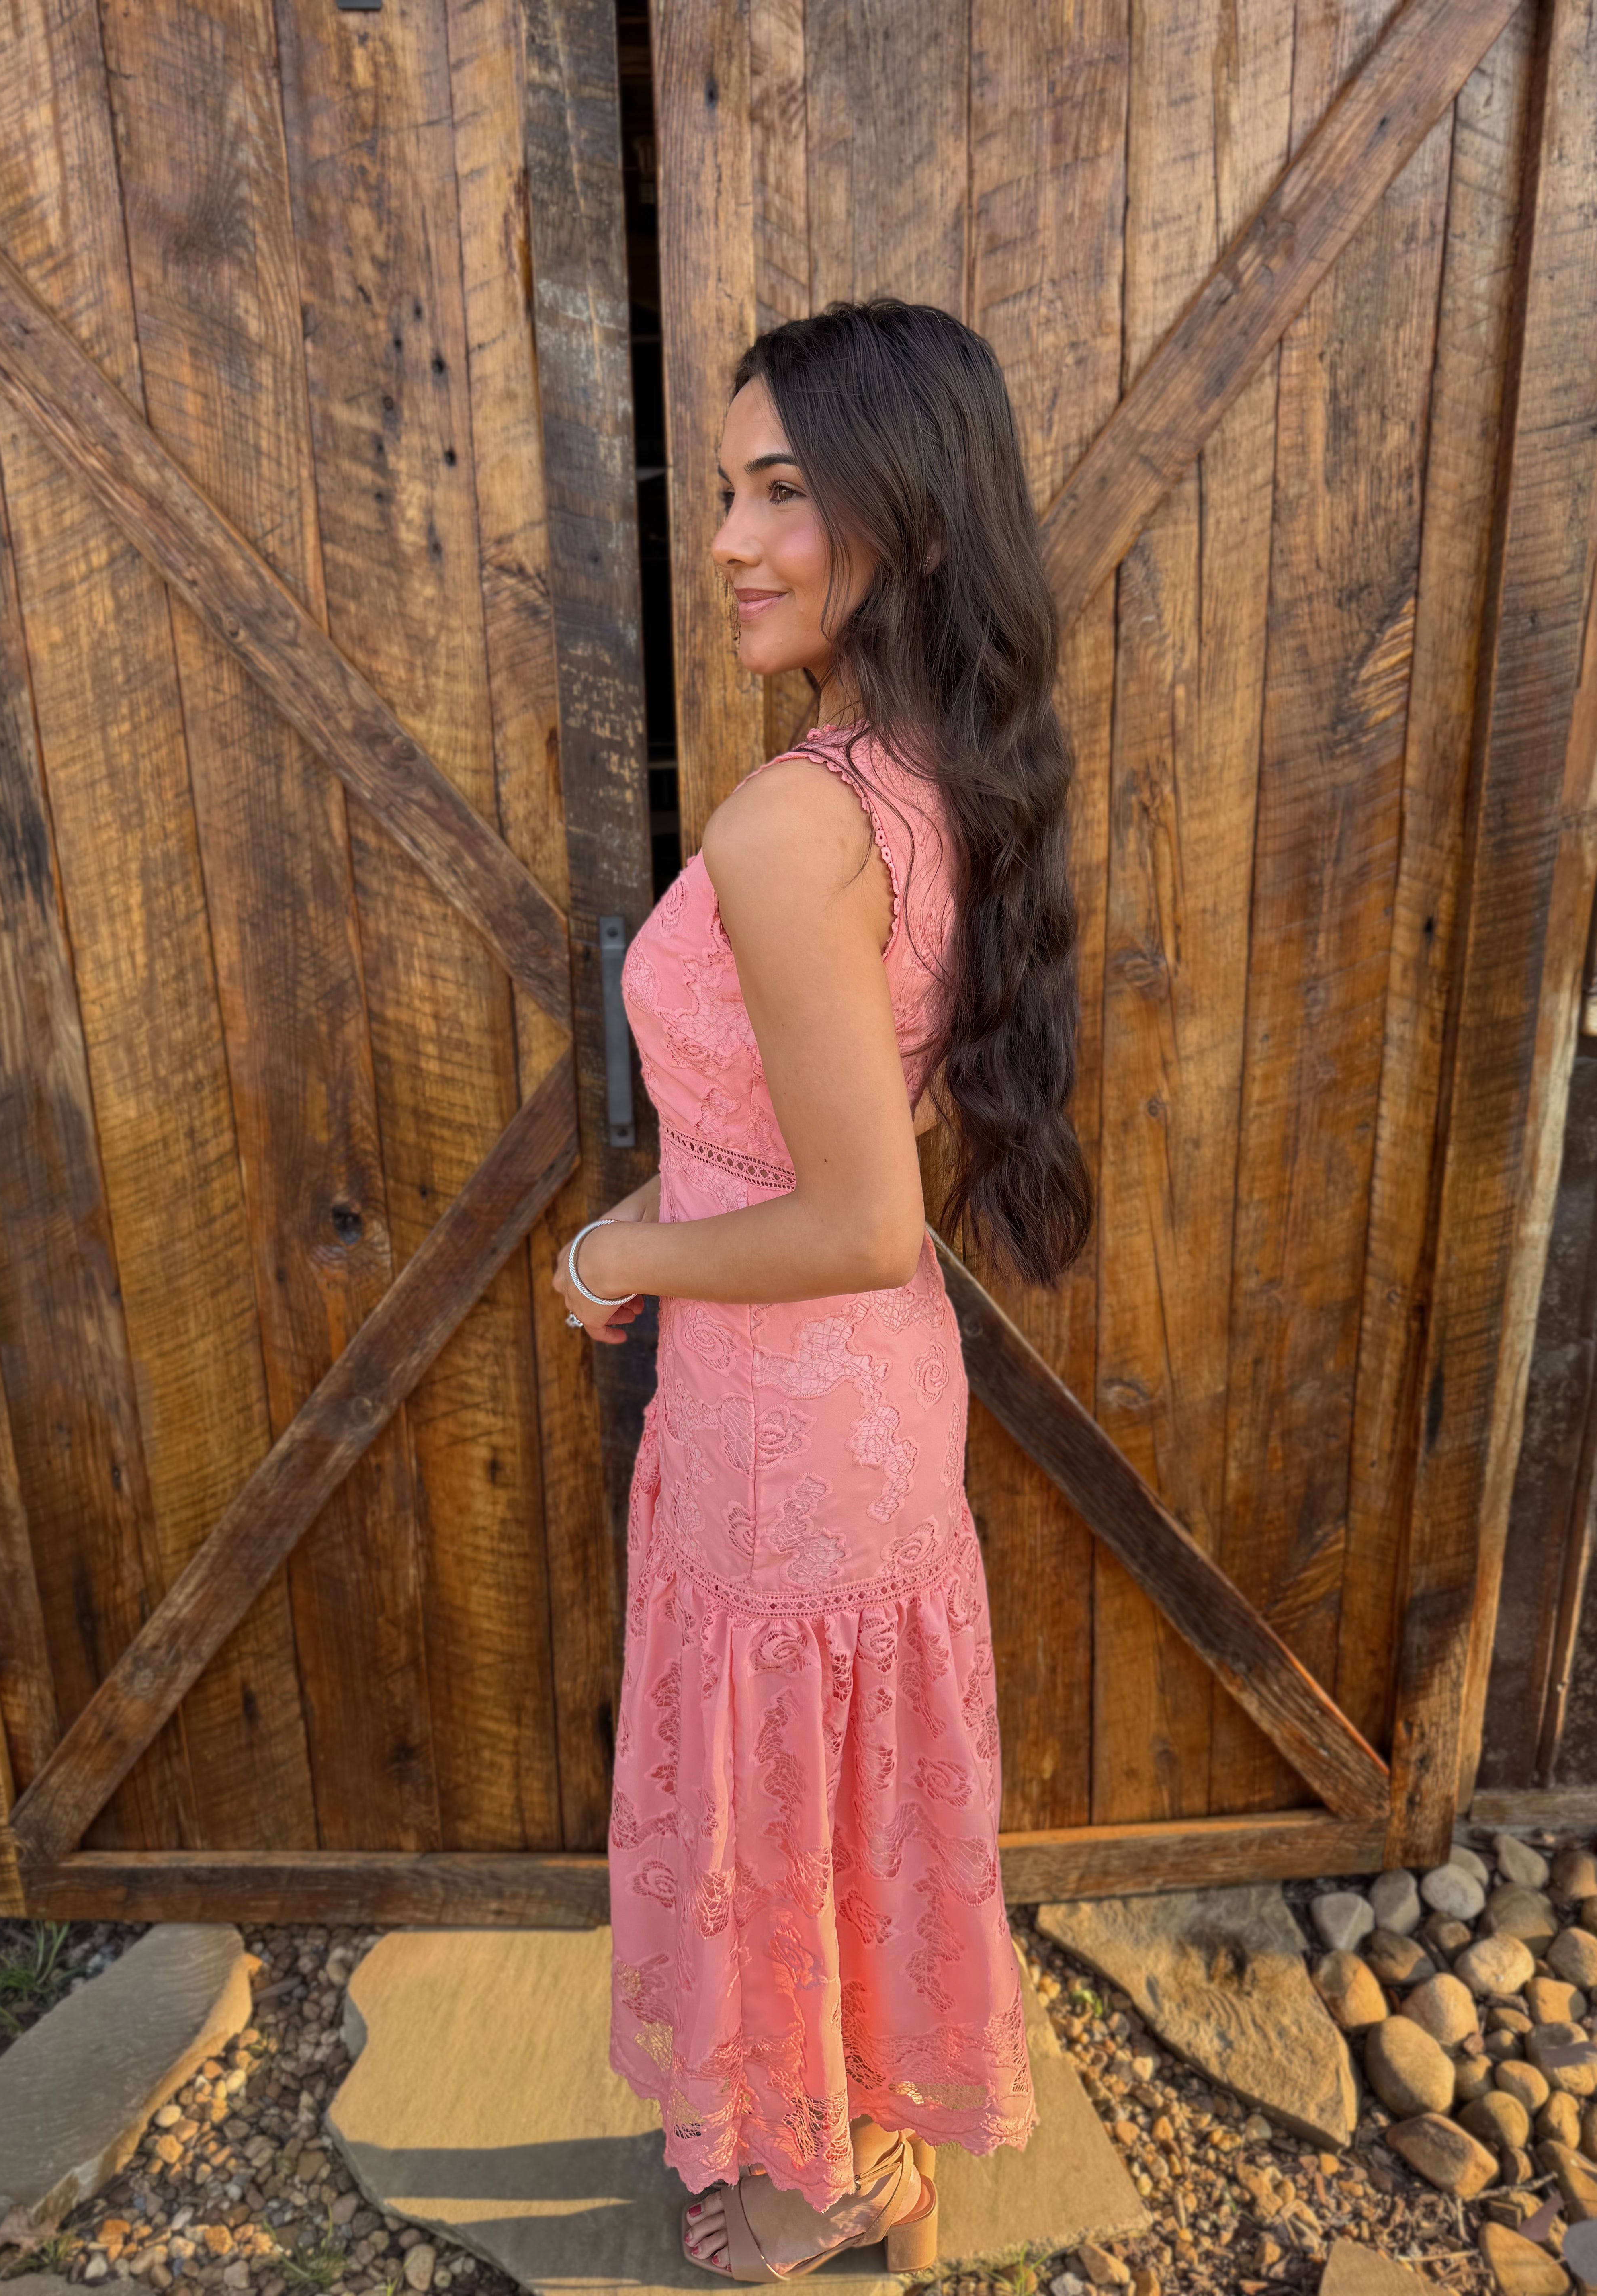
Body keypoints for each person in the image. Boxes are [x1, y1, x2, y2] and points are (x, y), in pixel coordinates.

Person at [551, 297, 1093, 2282]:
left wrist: (619, 1251)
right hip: (849, 1402)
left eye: (783, 492)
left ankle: (820, 2171)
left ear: (913, 520)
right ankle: (862, 2133)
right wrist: (674, 1223)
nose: (727, 541)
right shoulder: (928, 771)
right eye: (727, 491)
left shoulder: (797, 820)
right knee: (838, 1790)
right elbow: (843, 1156)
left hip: (800, 1404)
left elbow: (864, 1216)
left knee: (786, 1800)